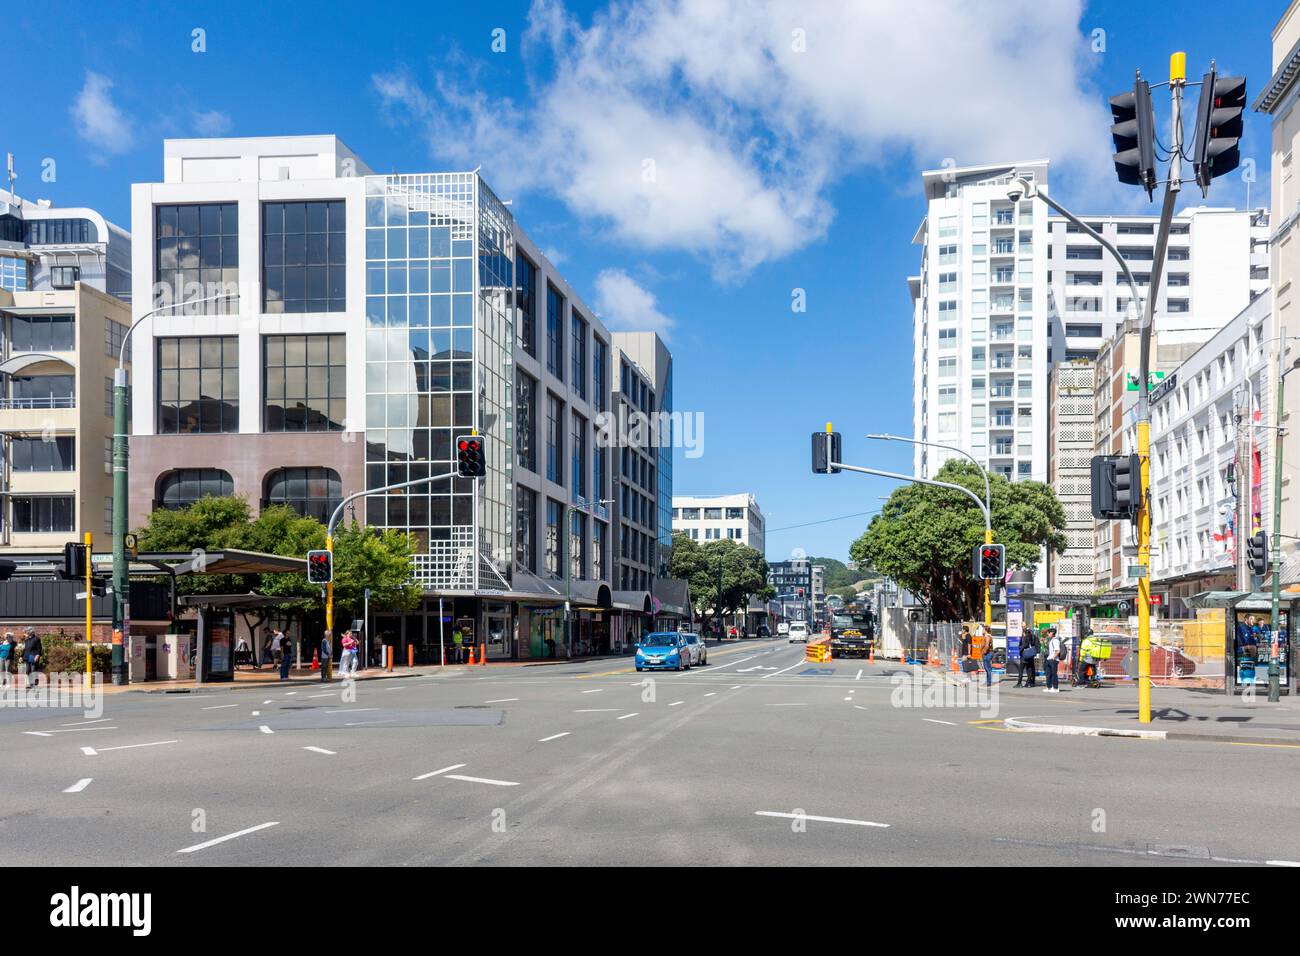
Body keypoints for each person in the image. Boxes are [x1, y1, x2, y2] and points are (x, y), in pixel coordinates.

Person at [1043, 626, 1062, 693]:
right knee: (1048, 674)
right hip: (1049, 658)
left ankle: (1056, 688)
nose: (1048, 634)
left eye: (1048, 633)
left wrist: (1054, 657)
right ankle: (1049, 687)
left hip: (1053, 659)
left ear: (1052, 633)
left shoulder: (1056, 640)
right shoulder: (1051, 640)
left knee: (1054, 674)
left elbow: (1057, 650)